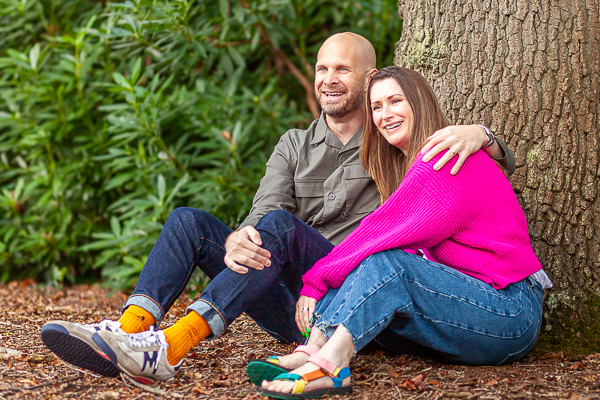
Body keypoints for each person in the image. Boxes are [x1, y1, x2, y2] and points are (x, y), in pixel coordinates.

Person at [41, 34, 515, 384]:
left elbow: (456, 168)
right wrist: (239, 238)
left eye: (342, 71)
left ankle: (173, 344)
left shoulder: (392, 137)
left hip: (352, 296)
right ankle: (128, 336)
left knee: (282, 229)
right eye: (322, 69)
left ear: (369, 79)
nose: (328, 80)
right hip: (294, 291)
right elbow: (263, 214)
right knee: (191, 221)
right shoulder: (293, 144)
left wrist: (484, 136)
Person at [253, 66, 552, 399]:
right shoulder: (419, 164)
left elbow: (376, 234)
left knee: (387, 262)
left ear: (419, 102)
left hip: (510, 312)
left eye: (395, 101)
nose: (384, 114)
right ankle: (315, 347)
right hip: (475, 303)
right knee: (380, 264)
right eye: (376, 107)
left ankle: (329, 363)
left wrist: (316, 279)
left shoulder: (443, 161)